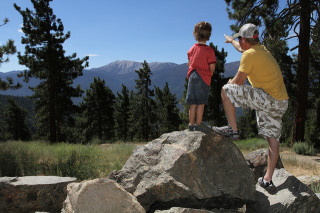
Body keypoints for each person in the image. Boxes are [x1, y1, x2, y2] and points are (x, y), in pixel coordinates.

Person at [213, 23, 289, 192]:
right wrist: (231, 40)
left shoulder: (250, 56)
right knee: (273, 139)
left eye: (240, 38)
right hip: (281, 102)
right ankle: (268, 179)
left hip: (269, 99)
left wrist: (230, 83)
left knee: (226, 91)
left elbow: (238, 82)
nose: (239, 41)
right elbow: (242, 48)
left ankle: (233, 129)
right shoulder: (261, 49)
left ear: (246, 39)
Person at [186, 21, 216, 132]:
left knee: (193, 102)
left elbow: (189, 63)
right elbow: (212, 66)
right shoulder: (209, 50)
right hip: (203, 77)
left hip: (192, 76)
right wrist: (210, 73)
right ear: (208, 36)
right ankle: (198, 124)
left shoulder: (192, 48)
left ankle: (191, 124)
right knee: (201, 103)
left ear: (195, 34)